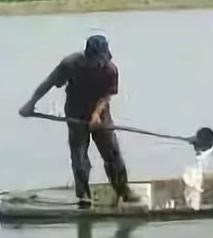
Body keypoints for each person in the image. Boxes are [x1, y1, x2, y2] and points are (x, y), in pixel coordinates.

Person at [18, 35, 139, 208]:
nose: (99, 63)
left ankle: (123, 191)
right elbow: (49, 83)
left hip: (101, 116)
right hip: (75, 114)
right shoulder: (70, 64)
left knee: (112, 154)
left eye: (102, 59)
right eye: (95, 59)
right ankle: (83, 197)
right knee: (79, 158)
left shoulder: (110, 70)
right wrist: (30, 104)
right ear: (87, 56)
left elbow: (106, 96)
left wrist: (96, 115)